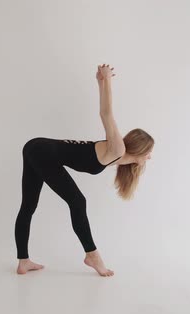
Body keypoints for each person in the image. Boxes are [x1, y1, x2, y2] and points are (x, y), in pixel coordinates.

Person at [15, 64, 155, 277]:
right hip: (41, 150)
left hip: (36, 148)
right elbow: (106, 113)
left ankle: (23, 261)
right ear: (140, 150)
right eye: (149, 153)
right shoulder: (118, 148)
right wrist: (106, 80)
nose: (150, 157)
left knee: (29, 205)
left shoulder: (119, 156)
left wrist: (99, 81)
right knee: (78, 201)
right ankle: (92, 255)